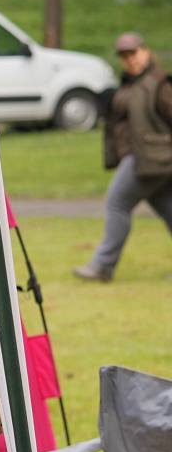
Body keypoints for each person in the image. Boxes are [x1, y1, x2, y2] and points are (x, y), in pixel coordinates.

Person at [73, 32, 172, 282]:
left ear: (146, 51)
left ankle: (102, 265)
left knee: (117, 204)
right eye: (125, 55)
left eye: (134, 53)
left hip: (150, 159)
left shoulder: (159, 84)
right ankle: (102, 265)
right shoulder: (131, 83)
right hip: (145, 159)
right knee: (169, 210)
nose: (131, 59)